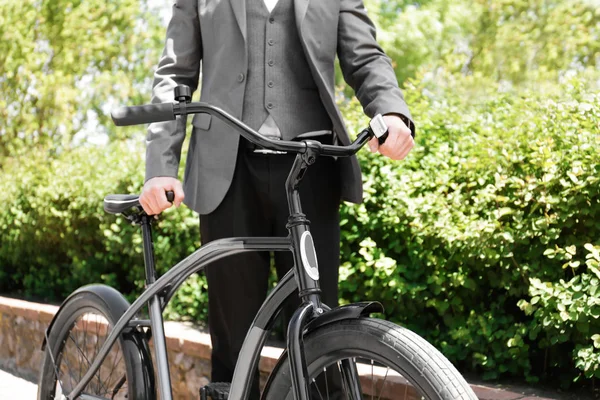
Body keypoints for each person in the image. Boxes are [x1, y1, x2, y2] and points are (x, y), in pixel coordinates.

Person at [139, 0, 415, 396]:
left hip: (311, 168)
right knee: (234, 346)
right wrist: (161, 164)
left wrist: (390, 111)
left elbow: (364, 56)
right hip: (226, 171)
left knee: (321, 333)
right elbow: (174, 72)